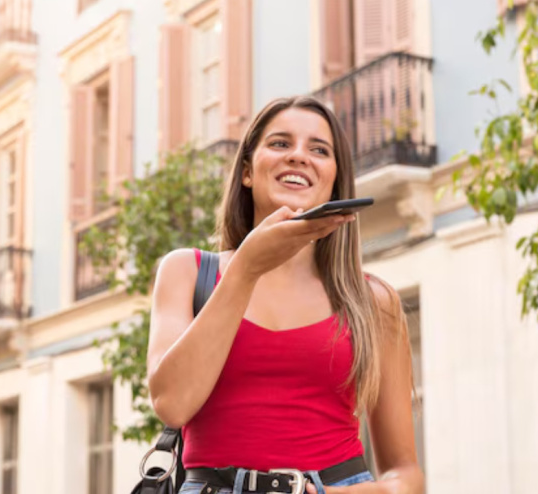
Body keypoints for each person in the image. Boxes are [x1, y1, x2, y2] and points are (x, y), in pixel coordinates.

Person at [147, 96, 424, 494]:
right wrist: (246, 269)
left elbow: (406, 476)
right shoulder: (187, 272)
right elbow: (172, 403)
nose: (298, 156)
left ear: (334, 180)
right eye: (280, 144)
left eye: (319, 150)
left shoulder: (374, 300)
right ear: (247, 171)